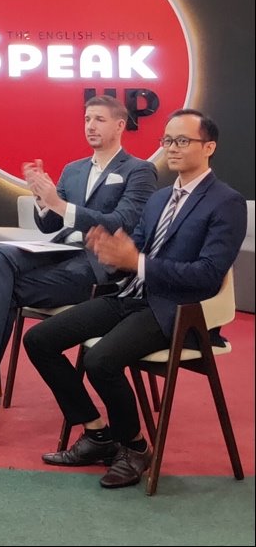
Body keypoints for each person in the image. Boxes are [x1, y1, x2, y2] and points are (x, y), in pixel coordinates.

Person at [23, 109, 247, 488]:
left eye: (182, 141)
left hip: (177, 309)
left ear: (209, 147)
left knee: (100, 361)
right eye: (167, 140)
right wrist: (112, 254)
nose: (172, 148)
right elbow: (135, 250)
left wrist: (137, 262)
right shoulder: (159, 199)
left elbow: (208, 275)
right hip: (130, 296)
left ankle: (135, 446)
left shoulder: (226, 202)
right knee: (39, 340)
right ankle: (97, 433)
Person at [0, 94, 157, 434]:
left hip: (100, 266)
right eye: (87, 119)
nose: (90, 126)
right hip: (60, 252)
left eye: (99, 119)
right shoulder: (74, 169)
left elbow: (122, 222)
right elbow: (49, 225)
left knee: (2, 290)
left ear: (120, 125)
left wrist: (60, 204)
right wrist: (41, 198)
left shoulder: (139, 170)